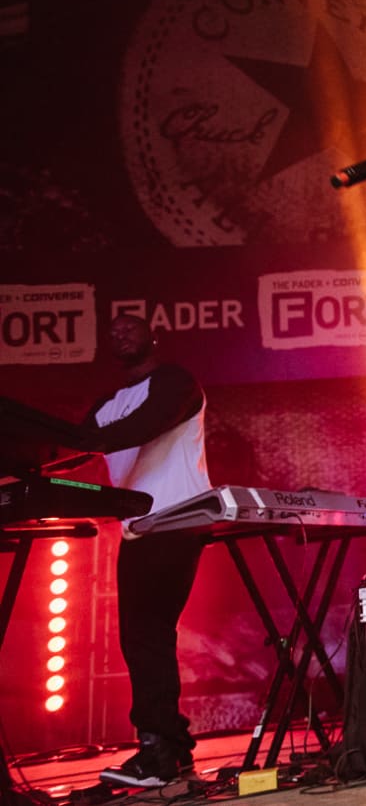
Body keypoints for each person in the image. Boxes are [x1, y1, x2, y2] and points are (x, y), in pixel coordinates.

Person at [86, 314, 211, 788]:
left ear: (153, 336)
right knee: (146, 637)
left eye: (129, 327)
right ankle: (169, 749)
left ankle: (159, 752)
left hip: (176, 519)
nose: (119, 333)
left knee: (144, 635)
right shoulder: (106, 405)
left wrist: (91, 441)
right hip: (140, 528)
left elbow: (147, 424)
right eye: (112, 331)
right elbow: (71, 448)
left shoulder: (176, 382)